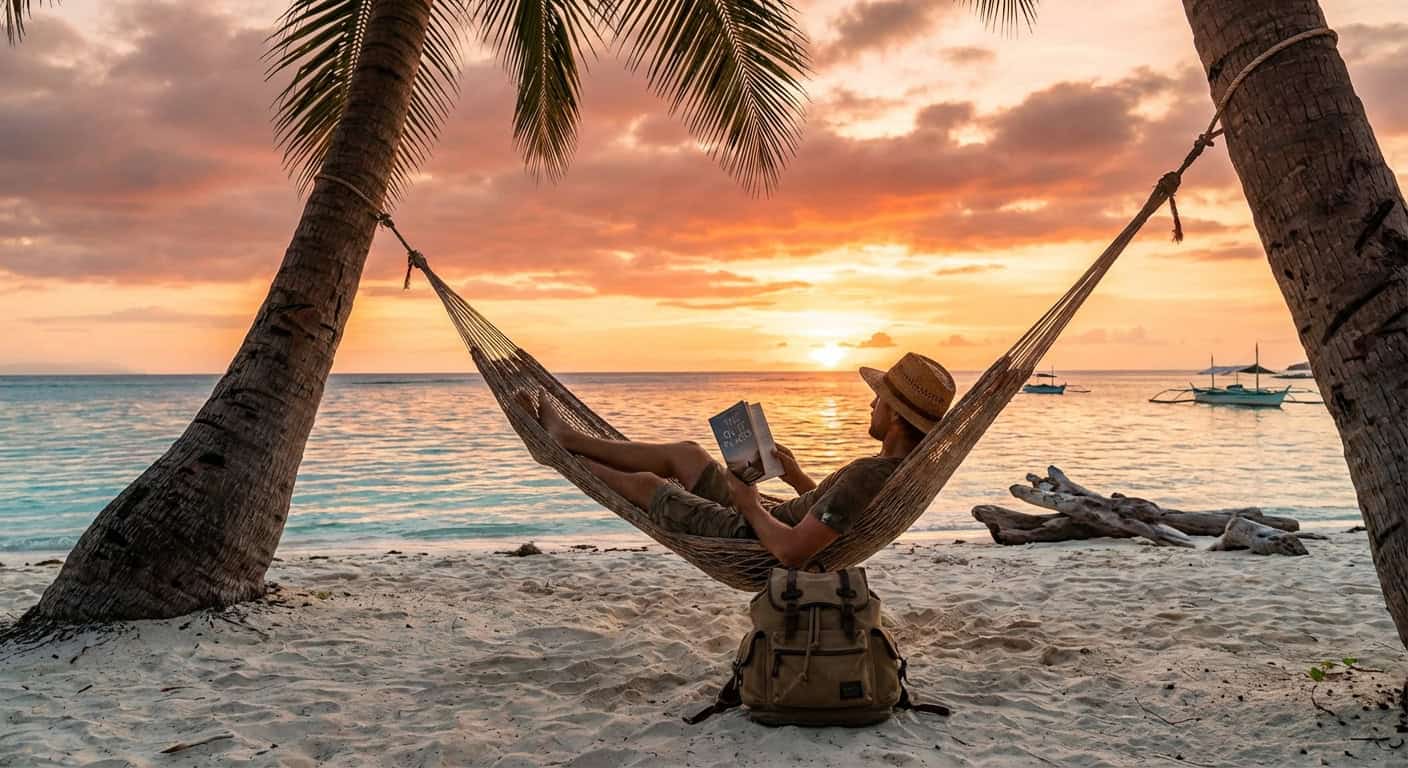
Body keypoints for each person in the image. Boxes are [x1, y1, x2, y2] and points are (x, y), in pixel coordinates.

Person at [520, 353, 955, 567]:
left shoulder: (870, 474)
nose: (870, 407)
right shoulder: (891, 472)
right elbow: (835, 516)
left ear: (895, 415)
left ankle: (561, 454)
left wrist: (747, 503)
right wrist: (797, 478)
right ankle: (572, 438)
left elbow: (790, 552)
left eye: (877, 401)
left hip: (751, 535)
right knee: (687, 454)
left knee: (655, 486)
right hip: (771, 514)